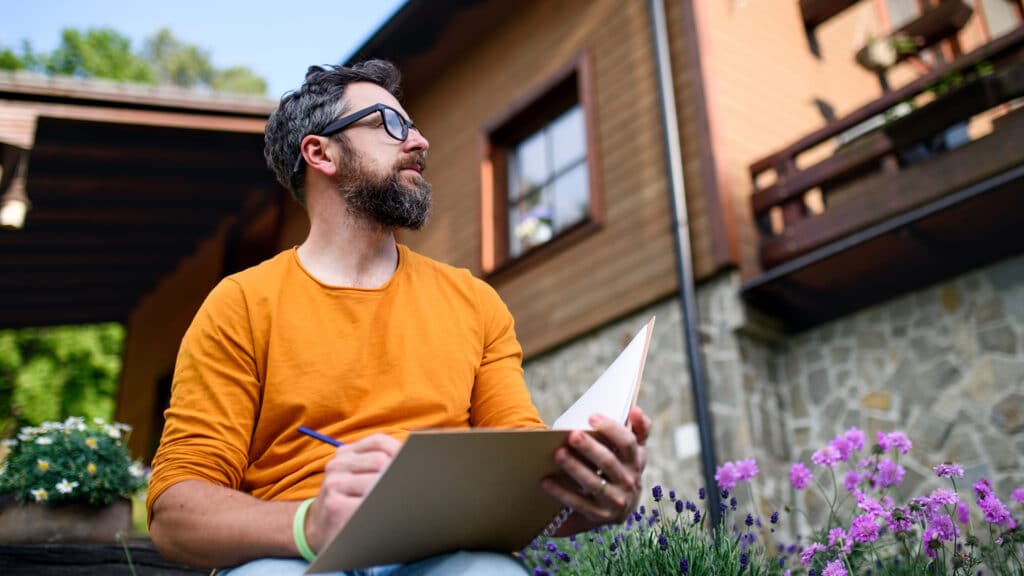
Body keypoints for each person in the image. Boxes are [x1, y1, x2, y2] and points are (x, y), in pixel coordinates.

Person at [146, 60, 651, 576]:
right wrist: (308, 525)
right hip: (290, 554)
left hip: (443, 553)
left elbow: (524, 489)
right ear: (320, 152)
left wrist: (593, 493)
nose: (419, 141)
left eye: (411, 125)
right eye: (389, 124)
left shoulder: (474, 303)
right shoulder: (240, 304)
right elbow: (175, 513)